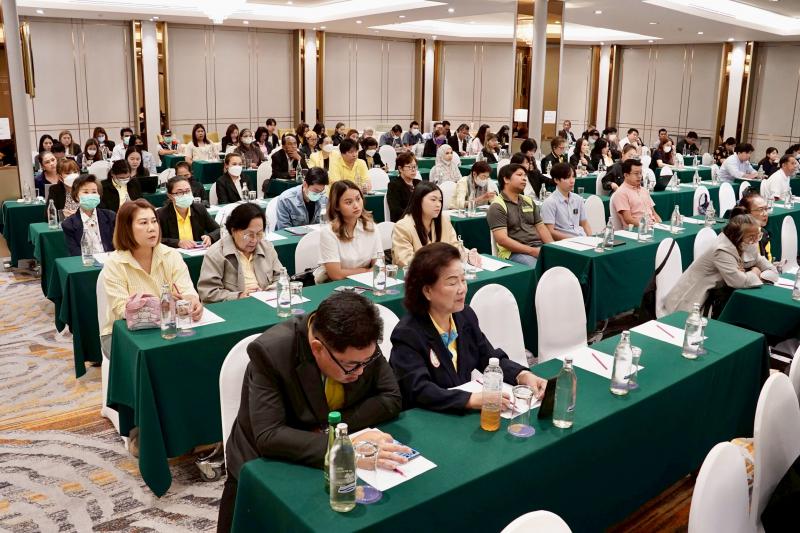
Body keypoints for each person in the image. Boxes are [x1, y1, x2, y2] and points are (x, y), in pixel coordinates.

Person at [217, 291, 406, 532]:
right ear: (317, 348)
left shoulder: (361, 342)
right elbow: (269, 436)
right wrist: (346, 444)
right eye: (351, 366)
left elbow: (391, 398)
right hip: (268, 464)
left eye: (366, 362)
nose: (360, 372)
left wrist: (335, 432)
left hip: (326, 450)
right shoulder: (270, 352)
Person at [389, 242, 546, 412]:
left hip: (459, 413)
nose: (462, 289)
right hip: (427, 417)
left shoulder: (465, 316)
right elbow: (419, 390)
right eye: (452, 283)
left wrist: (522, 375)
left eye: (463, 280)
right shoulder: (408, 333)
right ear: (427, 291)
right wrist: (470, 400)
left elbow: (489, 358)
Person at [99, 199, 202, 349]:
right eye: (143, 223)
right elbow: (122, 309)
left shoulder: (171, 255)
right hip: (124, 334)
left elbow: (186, 289)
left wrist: (192, 302)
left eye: (154, 221)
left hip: (169, 326)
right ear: (127, 228)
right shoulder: (114, 263)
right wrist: (164, 305)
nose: (152, 228)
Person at [663, 214, 775, 316]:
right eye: (751, 237)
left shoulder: (748, 242)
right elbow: (739, 281)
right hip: (692, 300)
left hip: (716, 297)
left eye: (758, 236)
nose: (755, 241)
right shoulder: (722, 249)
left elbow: (771, 269)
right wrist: (755, 272)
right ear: (737, 237)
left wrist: (750, 273)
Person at [197, 202, 283, 303]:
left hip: (266, 302)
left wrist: (272, 289)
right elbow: (208, 293)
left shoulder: (267, 247)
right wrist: (239, 296)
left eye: (259, 234)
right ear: (233, 231)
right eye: (249, 235)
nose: (254, 240)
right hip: (234, 307)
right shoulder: (216, 254)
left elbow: (281, 277)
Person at [392, 182, 481, 268]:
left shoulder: (444, 220)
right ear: (418, 201)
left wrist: (468, 255)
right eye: (433, 200)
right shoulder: (403, 227)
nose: (438, 205)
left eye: (440, 200)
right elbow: (405, 260)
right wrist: (438, 261)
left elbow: (455, 246)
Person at [315, 180, 383, 283]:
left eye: (358, 199)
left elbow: (379, 266)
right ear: (337, 206)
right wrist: (366, 271)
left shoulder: (371, 227)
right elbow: (336, 275)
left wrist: (368, 272)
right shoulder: (329, 232)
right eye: (348, 202)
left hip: (366, 281)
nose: (356, 205)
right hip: (334, 285)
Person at [487, 163, 554, 267]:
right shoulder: (497, 206)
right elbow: (502, 240)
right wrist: (532, 251)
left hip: (538, 247)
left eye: (525, 175)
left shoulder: (528, 200)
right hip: (514, 253)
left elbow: (541, 227)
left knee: (562, 261)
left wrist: (552, 248)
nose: (524, 178)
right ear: (506, 179)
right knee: (536, 267)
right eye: (519, 175)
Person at [157, 176, 220, 249]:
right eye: (180, 192)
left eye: (188, 191)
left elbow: (219, 230)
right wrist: (177, 243)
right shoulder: (161, 214)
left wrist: (210, 237)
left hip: (197, 251)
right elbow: (157, 239)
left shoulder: (199, 209)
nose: (185, 195)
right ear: (170, 196)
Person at [61, 175, 115, 257]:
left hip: (110, 261)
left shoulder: (110, 216)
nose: (90, 195)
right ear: (76, 196)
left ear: (99, 195)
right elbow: (74, 253)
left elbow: (119, 245)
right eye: (85, 192)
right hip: (86, 262)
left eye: (94, 192)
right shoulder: (69, 224)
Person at [541, 163, 592, 239]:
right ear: (556, 180)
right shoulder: (549, 203)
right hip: (565, 242)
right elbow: (550, 231)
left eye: (573, 177)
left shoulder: (578, 199)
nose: (572, 181)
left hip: (581, 238)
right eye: (567, 177)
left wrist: (591, 239)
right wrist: (573, 240)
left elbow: (584, 223)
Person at [613, 159, 661, 227]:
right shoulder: (621, 193)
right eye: (636, 173)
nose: (640, 176)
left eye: (641, 173)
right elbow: (628, 219)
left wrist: (660, 224)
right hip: (637, 229)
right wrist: (646, 226)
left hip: (652, 226)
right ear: (626, 175)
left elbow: (654, 213)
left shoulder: (644, 190)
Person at [729, 190, 772, 261]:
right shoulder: (737, 236)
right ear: (746, 212)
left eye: (766, 209)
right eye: (760, 209)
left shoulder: (763, 233)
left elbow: (767, 260)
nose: (765, 214)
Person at [386, 151, 420, 222]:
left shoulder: (419, 183)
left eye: (414, 167)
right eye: (409, 167)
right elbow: (396, 210)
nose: (413, 170)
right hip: (403, 222)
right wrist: (415, 215)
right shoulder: (394, 185)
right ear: (400, 169)